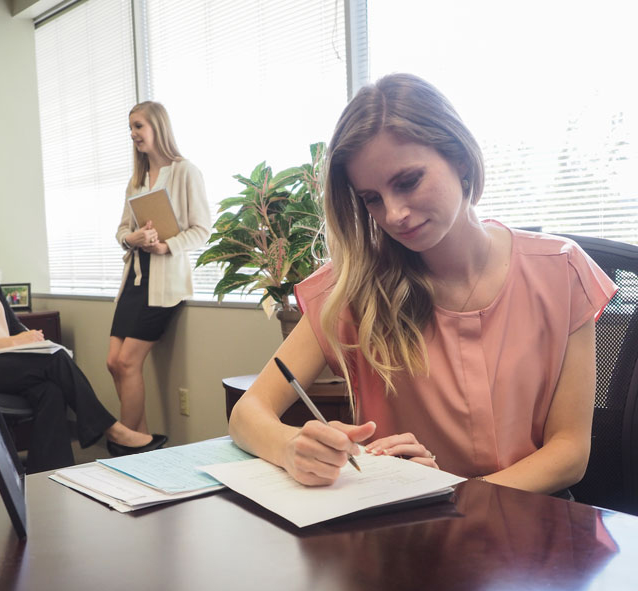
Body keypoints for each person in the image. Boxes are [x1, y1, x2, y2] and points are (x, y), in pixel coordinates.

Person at [229, 73, 617, 494]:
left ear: (461, 159)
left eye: (408, 181)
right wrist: (291, 446)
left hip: (530, 527)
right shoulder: (352, 288)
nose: (393, 214)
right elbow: (247, 413)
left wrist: (456, 497)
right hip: (410, 539)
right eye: (372, 198)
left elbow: (570, 452)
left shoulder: (562, 270)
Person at [0, 211, 167, 471]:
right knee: (55, 360)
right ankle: (113, 431)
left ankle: (49, 474)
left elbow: (15, 328)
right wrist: (14, 342)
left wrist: (33, 339)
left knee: (52, 390)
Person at [107, 101, 210, 438]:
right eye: (130, 128)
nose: (133, 134)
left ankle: (129, 444)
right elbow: (122, 230)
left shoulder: (185, 172)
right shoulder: (136, 180)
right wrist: (132, 238)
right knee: (113, 363)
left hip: (164, 285)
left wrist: (166, 246)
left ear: (158, 128)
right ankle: (143, 439)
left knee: (127, 362)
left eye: (139, 126)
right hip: (136, 281)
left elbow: (202, 229)